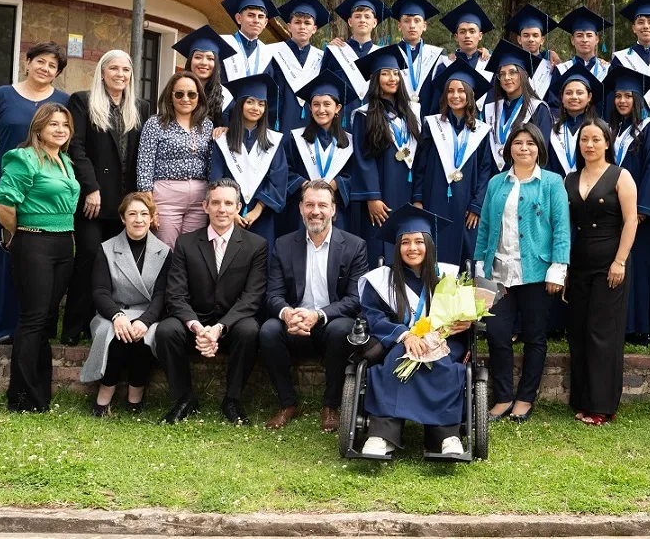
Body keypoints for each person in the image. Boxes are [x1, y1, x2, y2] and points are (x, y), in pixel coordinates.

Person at [358, 204, 474, 458]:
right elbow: (373, 316)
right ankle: (382, 435)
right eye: (405, 242)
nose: (412, 248)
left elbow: (462, 314)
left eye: (419, 241)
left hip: (443, 340)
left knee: (442, 364)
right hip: (401, 340)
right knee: (396, 360)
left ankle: (446, 436)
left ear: (429, 244)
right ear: (397, 247)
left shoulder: (448, 275)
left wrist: (466, 321)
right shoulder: (382, 280)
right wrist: (406, 335)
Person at [474, 124, 571, 423]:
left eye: (530, 143)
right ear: (509, 148)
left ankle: (525, 398)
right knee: (497, 335)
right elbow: (486, 228)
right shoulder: (496, 183)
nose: (524, 148)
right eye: (518, 143)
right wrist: (479, 266)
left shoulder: (552, 183)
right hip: (499, 272)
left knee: (535, 337)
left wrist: (558, 268)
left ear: (539, 148)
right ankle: (503, 398)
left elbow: (561, 228)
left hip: (537, 272)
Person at [0, 41, 70, 344]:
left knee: (39, 265)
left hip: (48, 197)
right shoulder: (3, 96)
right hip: (13, 191)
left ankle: (35, 329)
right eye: (40, 61)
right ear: (28, 62)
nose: (45, 68)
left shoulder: (63, 101)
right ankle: (4, 328)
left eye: (52, 65)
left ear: (57, 72)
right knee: (8, 259)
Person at [0, 102, 81, 413]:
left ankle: (40, 394)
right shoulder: (23, 158)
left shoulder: (64, 161)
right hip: (35, 242)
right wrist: (21, 233)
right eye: (53, 124)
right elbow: (1, 202)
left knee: (46, 321)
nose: (60, 130)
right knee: (32, 319)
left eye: (65, 125)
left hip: (63, 244)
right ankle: (22, 397)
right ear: (39, 127)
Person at [155, 179, 269, 425]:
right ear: (205, 206)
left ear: (238, 208)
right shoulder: (185, 243)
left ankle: (232, 400)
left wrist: (219, 328)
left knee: (250, 329)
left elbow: (252, 297)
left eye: (229, 203)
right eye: (215, 202)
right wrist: (197, 327)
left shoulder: (256, 245)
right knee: (166, 330)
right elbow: (175, 295)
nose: (222, 209)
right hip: (195, 322)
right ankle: (184, 399)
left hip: (232, 323)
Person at [260, 180, 370, 433]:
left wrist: (318, 315)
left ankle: (330, 405)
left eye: (322, 205)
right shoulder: (284, 244)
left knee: (342, 329)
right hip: (294, 322)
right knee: (267, 331)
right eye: (309, 204)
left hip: (330, 323)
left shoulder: (354, 246)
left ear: (333, 210)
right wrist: (288, 314)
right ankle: (288, 403)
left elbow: (355, 299)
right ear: (300, 208)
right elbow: (273, 294)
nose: (315, 211)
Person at [64, 49, 153, 346]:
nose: (120, 74)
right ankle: (74, 325)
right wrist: (90, 187)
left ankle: (104, 325)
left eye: (126, 70)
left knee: (117, 267)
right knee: (89, 257)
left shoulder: (140, 106)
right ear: (102, 72)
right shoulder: (83, 101)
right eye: (114, 68)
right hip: (95, 200)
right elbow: (76, 148)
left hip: (127, 204)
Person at [565, 118, 638, 425]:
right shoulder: (569, 178)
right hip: (578, 264)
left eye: (596, 139)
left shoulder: (621, 176)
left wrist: (620, 261)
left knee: (603, 334)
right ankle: (582, 399)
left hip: (611, 263)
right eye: (584, 140)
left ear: (607, 143)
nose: (590, 145)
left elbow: (631, 221)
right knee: (579, 332)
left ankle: (602, 406)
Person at [79, 192, 171, 416]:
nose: (138, 219)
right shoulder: (107, 248)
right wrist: (117, 316)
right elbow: (100, 291)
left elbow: (162, 295)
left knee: (143, 338)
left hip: (149, 314)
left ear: (151, 218)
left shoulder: (165, 252)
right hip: (111, 312)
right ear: (123, 218)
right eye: (132, 214)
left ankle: (136, 393)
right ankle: (105, 391)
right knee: (115, 335)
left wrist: (146, 320)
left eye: (143, 214)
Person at [603, 63, 650, 345]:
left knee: (637, 267)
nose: (623, 101)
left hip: (639, 215)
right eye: (618, 96)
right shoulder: (610, 130)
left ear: (639, 99)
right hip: (611, 212)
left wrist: (642, 209)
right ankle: (616, 324)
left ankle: (640, 328)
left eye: (629, 96)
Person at [411, 58, 495, 266]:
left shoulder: (481, 131)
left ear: (470, 95)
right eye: (450, 91)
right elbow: (419, 165)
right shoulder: (432, 125)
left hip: (467, 207)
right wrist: (418, 198)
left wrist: (477, 204)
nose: (455, 96)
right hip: (434, 200)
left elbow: (486, 169)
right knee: (435, 252)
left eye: (461, 91)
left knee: (466, 257)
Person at [349, 44, 420, 265]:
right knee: (379, 247)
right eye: (385, 74)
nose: (392, 78)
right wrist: (372, 196)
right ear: (375, 78)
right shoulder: (365, 114)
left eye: (396, 73)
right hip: (381, 191)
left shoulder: (410, 114)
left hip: (406, 190)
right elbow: (363, 158)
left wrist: (417, 196)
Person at [210, 72, 288, 250]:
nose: (256, 108)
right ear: (240, 104)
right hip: (227, 214)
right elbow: (216, 179)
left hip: (263, 216)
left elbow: (278, 179)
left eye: (261, 104)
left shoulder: (273, 142)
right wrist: (231, 211)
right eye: (250, 102)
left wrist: (257, 210)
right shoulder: (223, 140)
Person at [137, 72, 214, 247]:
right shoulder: (155, 124)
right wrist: (149, 207)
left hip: (199, 198)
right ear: (170, 97)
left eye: (191, 94)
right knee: (165, 250)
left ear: (198, 97)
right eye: (179, 93)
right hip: (165, 197)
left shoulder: (207, 125)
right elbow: (145, 165)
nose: (185, 98)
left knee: (192, 252)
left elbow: (211, 163)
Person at [279, 69, 354, 235]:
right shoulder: (295, 138)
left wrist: (337, 184)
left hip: (337, 210)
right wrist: (304, 184)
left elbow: (356, 174)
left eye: (327, 104)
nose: (321, 110)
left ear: (338, 108)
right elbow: (284, 170)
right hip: (303, 209)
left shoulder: (350, 142)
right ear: (310, 108)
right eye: (316, 104)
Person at [483, 40, 553, 173]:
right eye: (502, 74)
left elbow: (542, 153)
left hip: (527, 179)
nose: (506, 77)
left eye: (512, 72)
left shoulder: (538, 109)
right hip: (494, 180)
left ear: (524, 74)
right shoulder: (491, 110)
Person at [271, 0, 329, 135]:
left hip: (312, 123)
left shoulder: (322, 58)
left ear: (314, 29)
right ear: (289, 27)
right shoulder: (272, 53)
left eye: (307, 23)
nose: (302, 27)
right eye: (297, 22)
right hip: (279, 122)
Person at [431, 0, 494, 115]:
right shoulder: (445, 65)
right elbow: (436, 103)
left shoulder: (489, 65)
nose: (467, 36)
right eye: (462, 32)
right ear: (456, 36)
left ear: (480, 35)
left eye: (472, 31)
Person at [326, 0, 386, 102]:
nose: (362, 20)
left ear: (374, 23)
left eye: (367, 17)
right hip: (343, 116)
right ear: (350, 22)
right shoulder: (335, 52)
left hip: (374, 115)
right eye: (357, 16)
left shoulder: (382, 54)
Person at [390, 0, 444, 118]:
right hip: (396, 121)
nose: (412, 25)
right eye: (407, 21)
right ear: (399, 25)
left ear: (424, 26)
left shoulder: (437, 56)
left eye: (417, 20)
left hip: (428, 121)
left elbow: (438, 94)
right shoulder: (390, 54)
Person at [173, 25, 237, 127]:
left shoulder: (225, 96)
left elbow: (234, 130)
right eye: (198, 57)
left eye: (210, 58)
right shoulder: (176, 89)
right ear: (190, 61)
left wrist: (227, 130)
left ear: (216, 64)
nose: (204, 62)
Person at [219, 0, 281, 82]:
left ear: (265, 23)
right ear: (239, 18)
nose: (256, 20)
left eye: (260, 17)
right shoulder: (222, 44)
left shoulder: (268, 55)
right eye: (250, 15)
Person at [547, 65, 603, 179]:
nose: (574, 97)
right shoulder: (552, 130)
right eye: (568, 93)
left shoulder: (600, 129)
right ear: (561, 98)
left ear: (589, 97)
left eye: (579, 92)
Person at [552, 7, 611, 99]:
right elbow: (554, 102)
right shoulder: (562, 70)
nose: (584, 40)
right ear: (572, 40)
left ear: (597, 40)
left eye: (589, 35)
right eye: (579, 35)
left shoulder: (606, 70)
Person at [505, 4, 560, 99]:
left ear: (542, 40)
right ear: (519, 39)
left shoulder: (551, 67)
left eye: (535, 35)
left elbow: (555, 101)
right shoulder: (509, 65)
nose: (531, 39)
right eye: (526, 35)